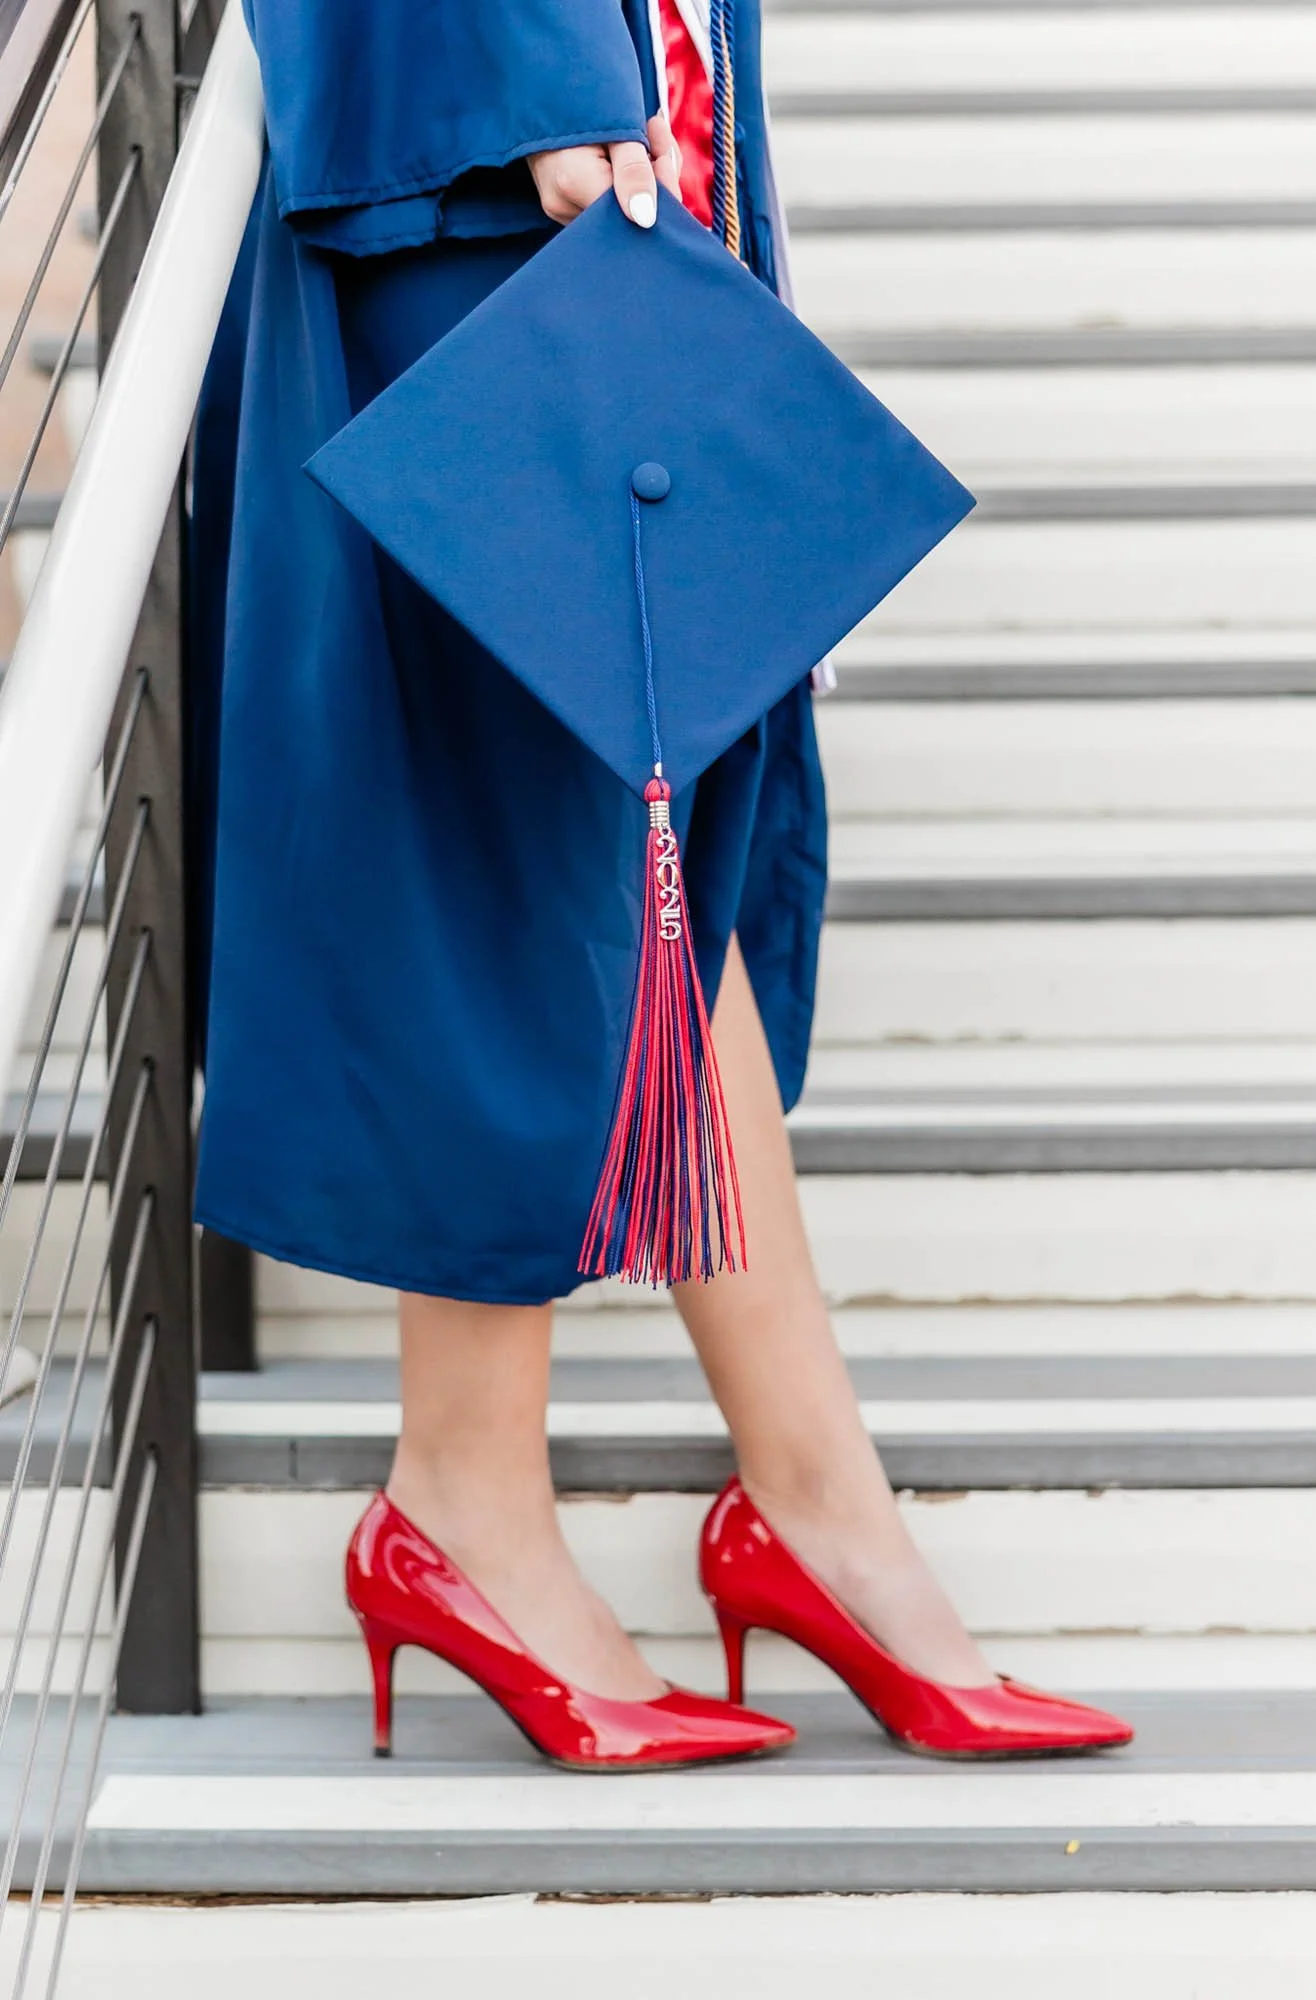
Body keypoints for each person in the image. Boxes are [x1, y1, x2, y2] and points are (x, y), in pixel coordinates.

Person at [193, 0, 1132, 1767]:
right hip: (492, 149)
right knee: (538, 845)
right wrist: (543, 76)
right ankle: (486, 1494)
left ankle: (801, 1501)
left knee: (643, 845)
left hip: (620, 125)